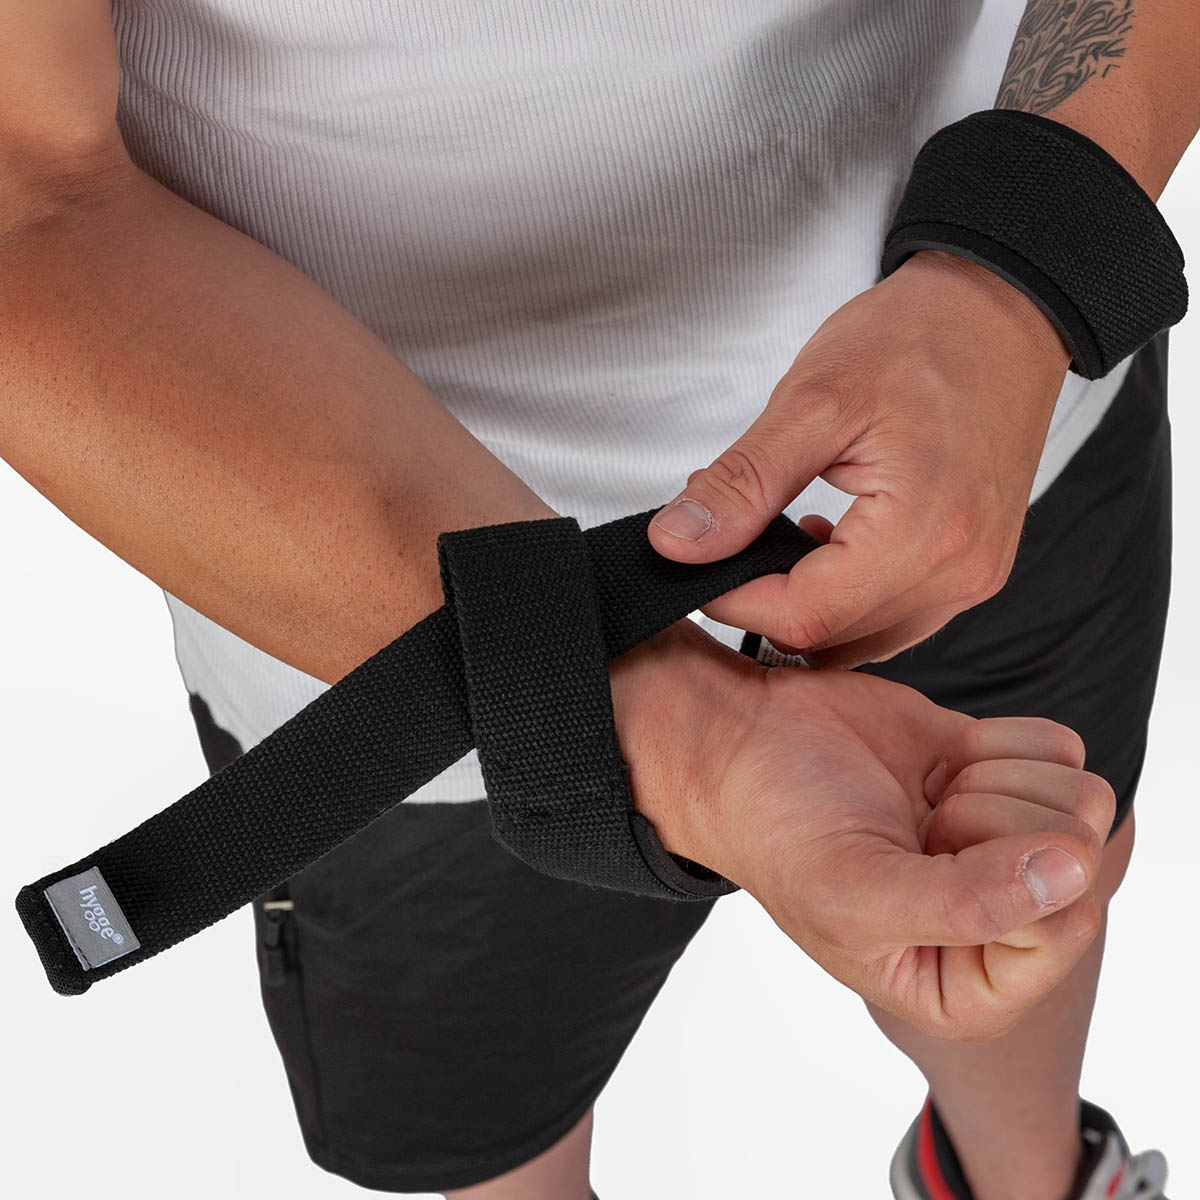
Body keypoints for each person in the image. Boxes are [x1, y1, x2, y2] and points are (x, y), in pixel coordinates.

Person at [1, 1, 1192, 1197]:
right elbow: (26, 203)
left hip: (998, 428)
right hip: (381, 627)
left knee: (1012, 908)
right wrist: (645, 724)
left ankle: (1036, 1178)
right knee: (498, 1136)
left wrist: (1016, 282)